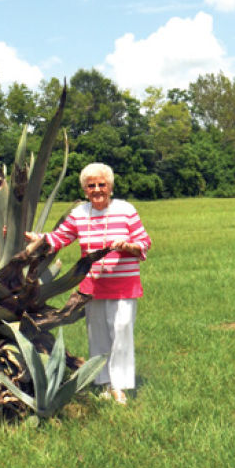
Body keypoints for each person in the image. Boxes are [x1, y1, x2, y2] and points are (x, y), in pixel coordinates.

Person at [31, 162, 151, 405]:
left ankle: (119, 386)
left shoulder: (126, 210)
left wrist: (128, 246)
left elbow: (144, 242)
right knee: (97, 334)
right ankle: (104, 382)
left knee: (122, 330)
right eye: (91, 185)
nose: (97, 189)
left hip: (123, 284)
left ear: (110, 186)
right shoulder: (79, 213)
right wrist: (39, 239)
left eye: (101, 184)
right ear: (85, 189)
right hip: (93, 284)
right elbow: (59, 238)